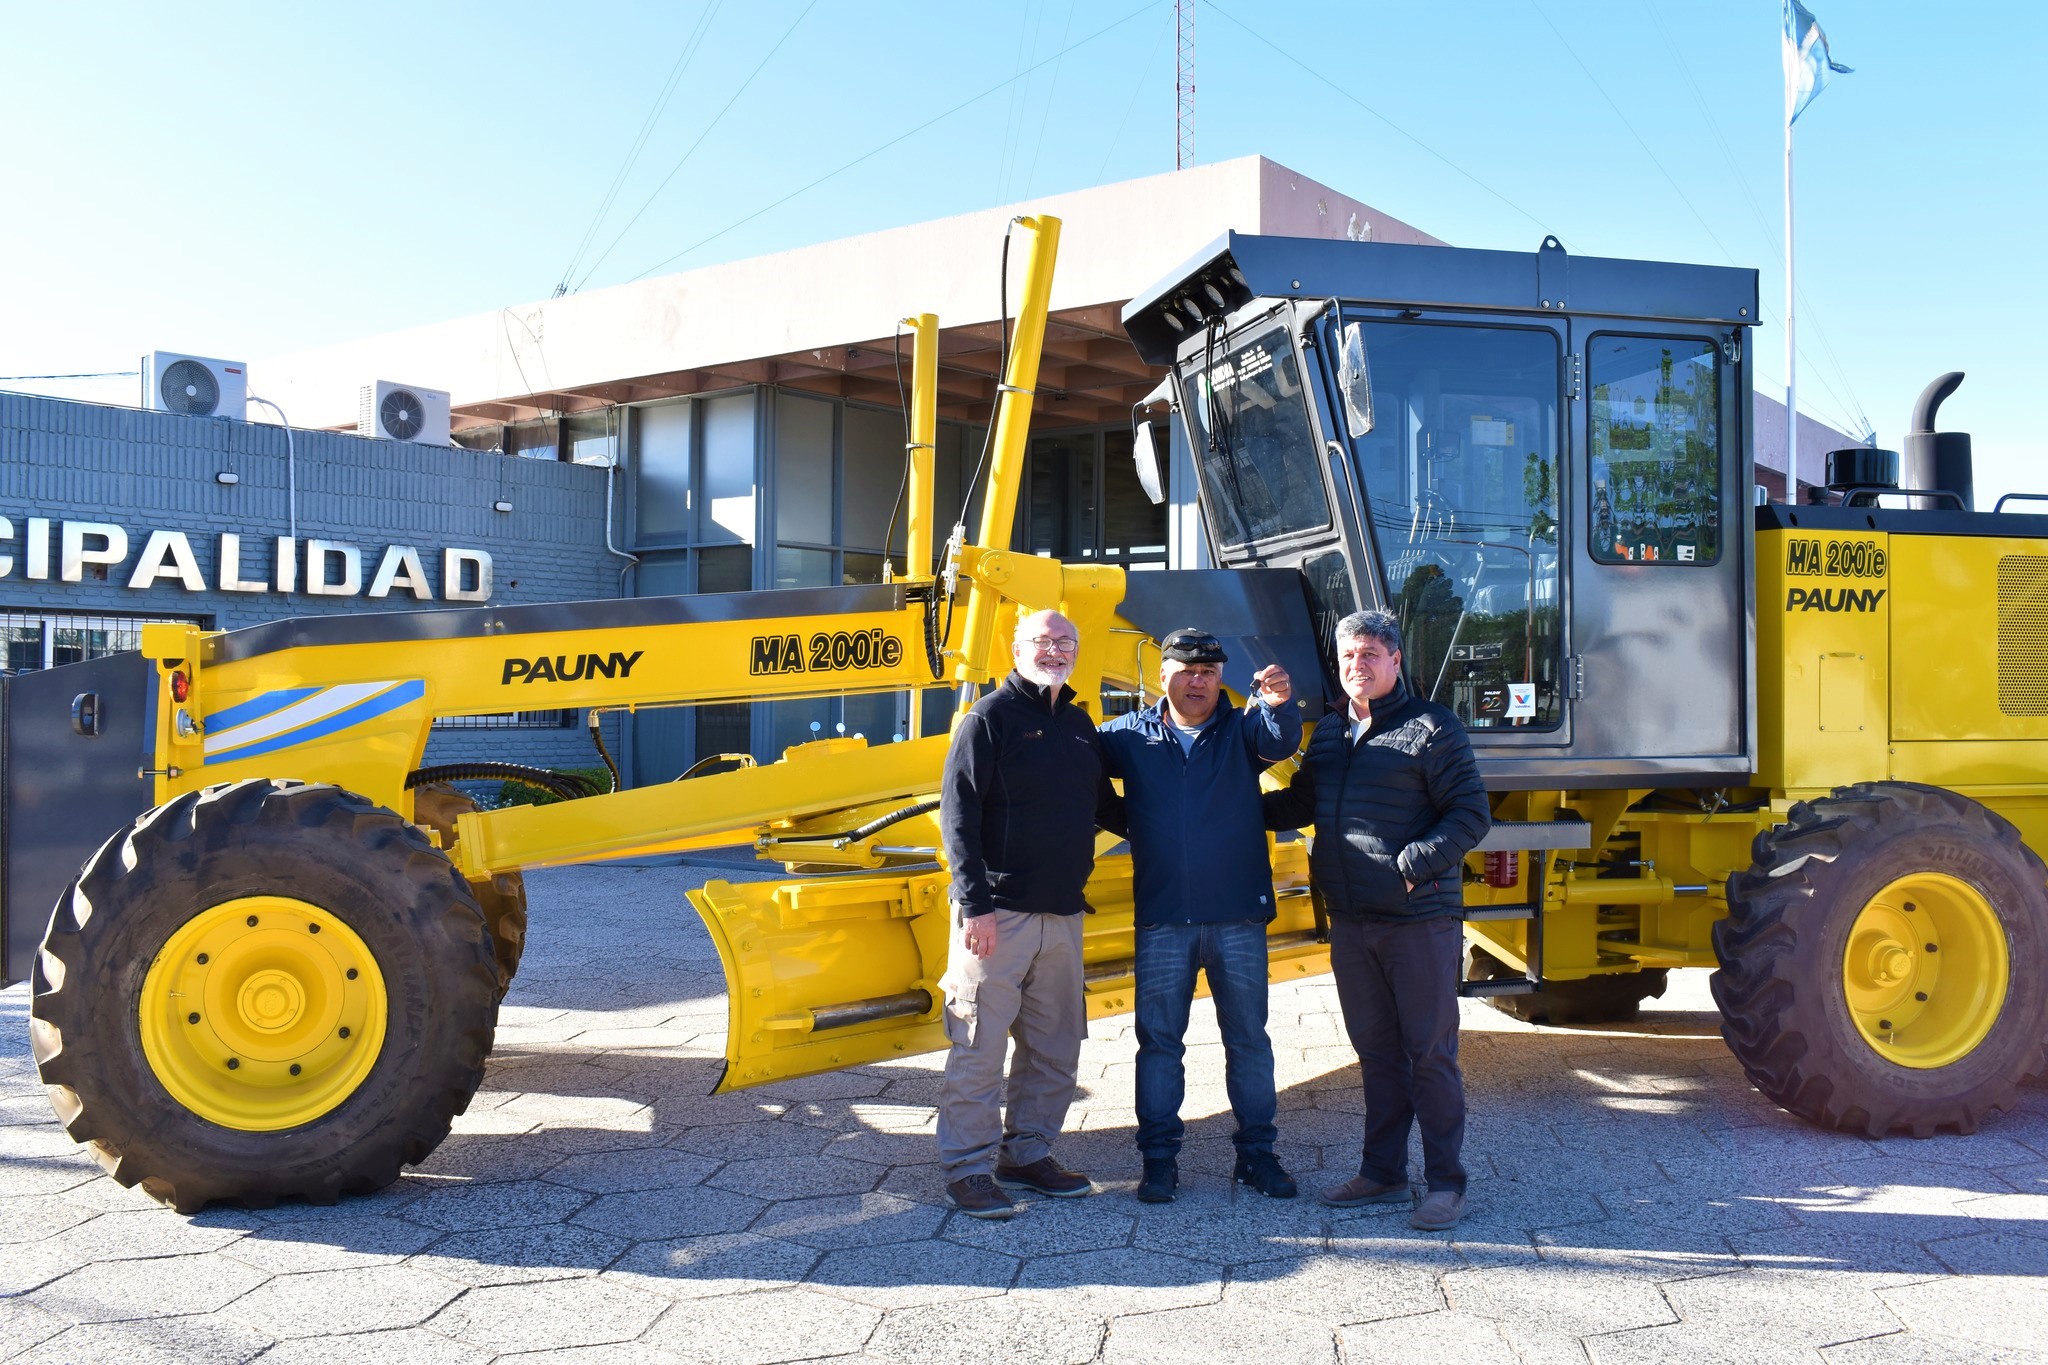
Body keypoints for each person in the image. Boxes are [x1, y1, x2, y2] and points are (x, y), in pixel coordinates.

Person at [1264, 608, 1489, 1231]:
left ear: (1394, 661)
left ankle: (1446, 1183)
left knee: (1430, 1054)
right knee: (1377, 1053)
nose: (1357, 665)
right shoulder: (1331, 733)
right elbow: (1301, 802)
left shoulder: (1431, 727)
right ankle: (1383, 1173)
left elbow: (1470, 813)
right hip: (1353, 921)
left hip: (1418, 921)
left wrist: (1413, 864)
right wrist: (1224, 802)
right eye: (1348, 656)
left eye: (1369, 654)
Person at [1098, 628, 1301, 1205]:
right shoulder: (1127, 734)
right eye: (1185, 670)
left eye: (1208, 672)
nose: (1197, 681)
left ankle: (1257, 1157)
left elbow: (1281, 740)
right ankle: (1159, 1162)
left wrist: (1280, 703)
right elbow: (1080, 769)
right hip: (1164, 918)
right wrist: (1131, 820)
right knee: (1159, 1044)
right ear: (1162, 674)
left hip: (1237, 916)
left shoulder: (1243, 729)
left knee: (1249, 1040)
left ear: (1220, 679)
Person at [936, 607, 1117, 1220]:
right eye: (1043, 640)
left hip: (1063, 913)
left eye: (1065, 641)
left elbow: (1105, 806)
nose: (1054, 651)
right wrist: (975, 906)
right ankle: (967, 1168)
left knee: (1054, 1045)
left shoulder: (1079, 725)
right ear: (1016, 649)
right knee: (979, 1047)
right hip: (997, 915)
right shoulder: (988, 718)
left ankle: (1028, 1154)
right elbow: (958, 817)